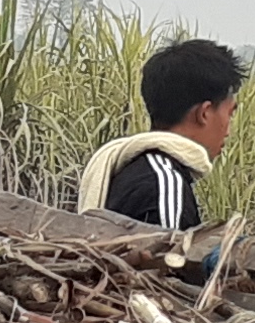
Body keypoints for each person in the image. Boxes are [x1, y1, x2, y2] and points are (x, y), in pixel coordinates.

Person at [82, 38, 245, 232]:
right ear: (205, 113)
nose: (228, 130)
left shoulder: (132, 169)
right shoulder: (165, 184)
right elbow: (168, 250)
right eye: (230, 113)